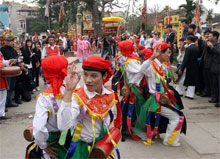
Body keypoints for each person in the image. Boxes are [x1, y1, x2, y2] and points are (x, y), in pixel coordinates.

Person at [57, 56, 122, 159]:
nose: (88, 80)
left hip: (102, 147)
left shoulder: (110, 94)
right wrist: (68, 91)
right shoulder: (78, 97)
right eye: (85, 75)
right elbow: (63, 126)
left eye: (93, 76)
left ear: (104, 75)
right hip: (83, 149)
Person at [136, 43, 186, 146]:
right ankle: (170, 141)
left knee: (178, 115)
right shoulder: (152, 66)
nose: (169, 55)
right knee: (177, 117)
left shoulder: (162, 66)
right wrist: (152, 57)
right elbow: (141, 70)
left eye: (170, 53)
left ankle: (169, 138)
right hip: (156, 100)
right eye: (167, 52)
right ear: (159, 53)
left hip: (162, 98)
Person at [30, 55, 70, 159]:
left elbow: (39, 129)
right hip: (72, 141)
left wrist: (43, 145)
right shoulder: (73, 89)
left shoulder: (44, 98)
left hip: (52, 143)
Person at [0, 35, 18, 107]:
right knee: (7, 88)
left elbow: (15, 57)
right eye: (8, 41)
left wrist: (14, 61)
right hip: (6, 71)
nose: (10, 42)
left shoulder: (13, 50)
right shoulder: (3, 49)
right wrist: (8, 63)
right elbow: (3, 61)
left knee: (11, 87)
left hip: (12, 70)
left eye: (11, 41)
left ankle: (9, 101)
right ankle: (6, 103)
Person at [0, 52, 17, 120]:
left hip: (1, 77)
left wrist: (9, 61)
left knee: (2, 96)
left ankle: (1, 114)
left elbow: (2, 61)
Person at [207, 31, 220, 105]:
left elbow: (218, 53)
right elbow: (208, 53)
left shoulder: (218, 45)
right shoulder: (212, 44)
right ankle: (215, 98)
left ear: (215, 37)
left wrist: (212, 47)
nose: (209, 37)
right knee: (214, 84)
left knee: (218, 84)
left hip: (217, 66)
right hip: (212, 66)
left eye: (210, 36)